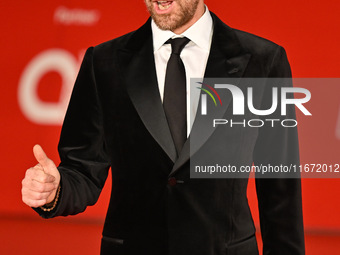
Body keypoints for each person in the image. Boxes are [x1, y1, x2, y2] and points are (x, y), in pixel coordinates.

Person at [21, 1, 305, 254]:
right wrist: (55, 189)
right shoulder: (103, 62)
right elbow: (82, 169)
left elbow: (280, 185)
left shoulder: (263, 61)